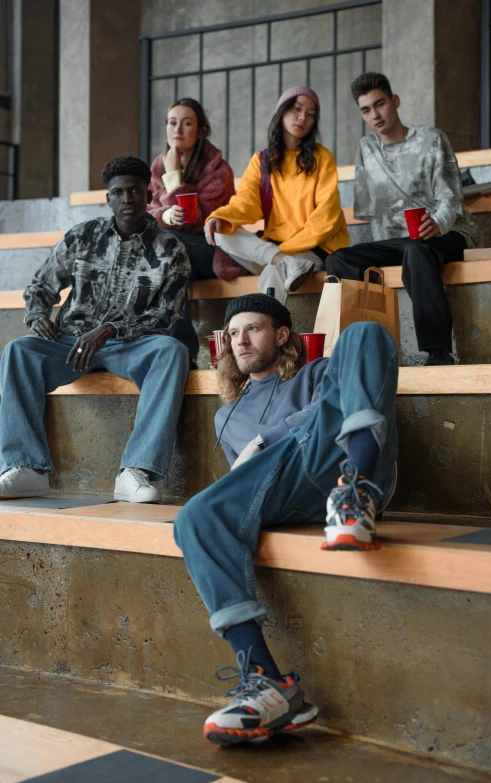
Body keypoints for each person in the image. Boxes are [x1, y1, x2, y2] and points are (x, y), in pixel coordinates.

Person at [174, 293, 398, 745]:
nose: (240, 340)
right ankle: (266, 682)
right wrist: (262, 453)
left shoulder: (317, 374)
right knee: (196, 515)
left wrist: (265, 440)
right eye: (232, 333)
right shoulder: (225, 415)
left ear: (281, 335)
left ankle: (354, 493)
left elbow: (320, 419)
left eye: (252, 328)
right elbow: (251, 475)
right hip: (289, 488)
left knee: (365, 334)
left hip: (337, 460)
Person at [0, 156, 190, 503]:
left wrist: (110, 329)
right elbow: (40, 286)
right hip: (70, 343)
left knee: (173, 352)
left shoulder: (170, 250)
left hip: (131, 344)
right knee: (18, 350)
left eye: (135, 191)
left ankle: (137, 470)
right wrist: (38, 314)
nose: (127, 199)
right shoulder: (81, 237)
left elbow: (167, 317)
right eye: (118, 192)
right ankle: (26, 468)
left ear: (148, 194)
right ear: (109, 198)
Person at [326, 72, 483, 366]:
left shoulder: (431, 139)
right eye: (366, 110)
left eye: (380, 104)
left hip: (447, 232)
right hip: (399, 243)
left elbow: (451, 199)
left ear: (394, 101)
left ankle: (438, 352)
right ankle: (361, 350)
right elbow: (372, 216)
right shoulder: (366, 149)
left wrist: (437, 222)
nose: (375, 114)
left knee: (417, 250)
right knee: (337, 261)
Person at [204, 86, 349, 304]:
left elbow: (326, 217)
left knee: (273, 272)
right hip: (275, 252)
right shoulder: (262, 161)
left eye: (310, 115)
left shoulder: (322, 158)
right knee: (222, 230)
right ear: (281, 111)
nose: (302, 118)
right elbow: (246, 203)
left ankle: (271, 335)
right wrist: (220, 216)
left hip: (311, 250)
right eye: (297, 109)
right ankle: (276, 328)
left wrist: (280, 253)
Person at [148, 98, 237, 364]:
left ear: (201, 130)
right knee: (170, 264)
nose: (178, 129)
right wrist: (163, 214)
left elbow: (195, 221)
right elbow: (146, 211)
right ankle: (176, 354)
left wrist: (174, 179)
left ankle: (181, 352)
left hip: (211, 249)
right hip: (177, 252)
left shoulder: (218, 169)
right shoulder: (157, 165)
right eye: (172, 123)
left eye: (187, 123)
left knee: (169, 245)